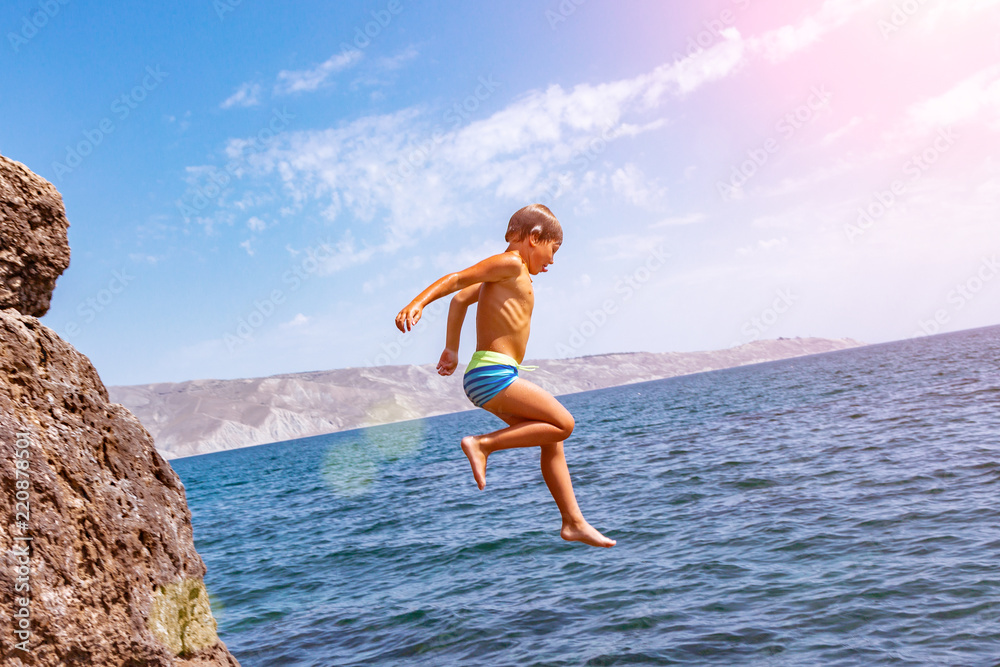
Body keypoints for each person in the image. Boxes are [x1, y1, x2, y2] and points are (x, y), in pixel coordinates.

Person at [395, 204, 615, 548]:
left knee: (551, 439)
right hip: (492, 373)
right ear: (534, 238)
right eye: (552, 251)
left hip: (486, 375)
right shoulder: (511, 264)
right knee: (565, 424)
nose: (552, 261)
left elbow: (460, 300)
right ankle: (483, 444)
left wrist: (452, 349)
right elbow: (457, 280)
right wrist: (418, 303)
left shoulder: (507, 276)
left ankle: (573, 522)